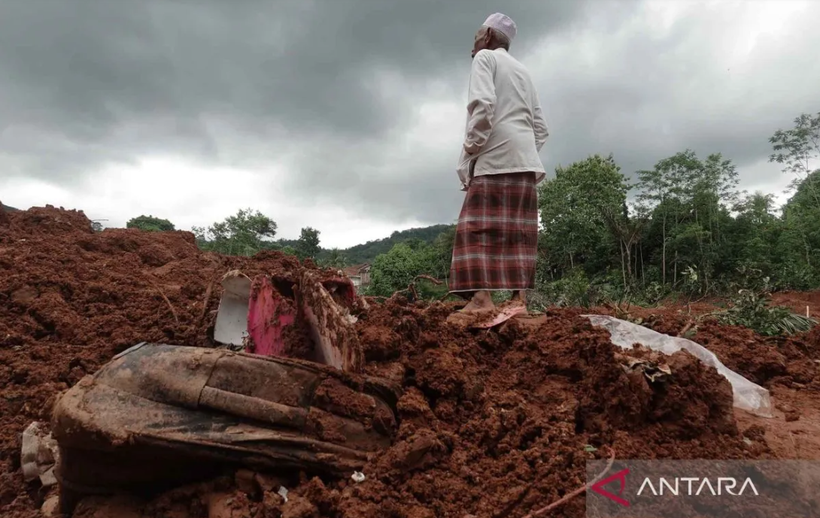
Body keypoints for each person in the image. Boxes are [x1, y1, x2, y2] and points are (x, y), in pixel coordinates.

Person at [449, 13, 549, 314]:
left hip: (494, 159)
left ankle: (481, 299)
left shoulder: (484, 60)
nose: (472, 47)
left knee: (476, 230)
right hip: (526, 161)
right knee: (519, 234)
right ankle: (519, 301)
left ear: (489, 36)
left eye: (476, 38)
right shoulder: (524, 72)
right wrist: (524, 151)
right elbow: (541, 128)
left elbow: (483, 106)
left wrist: (471, 150)